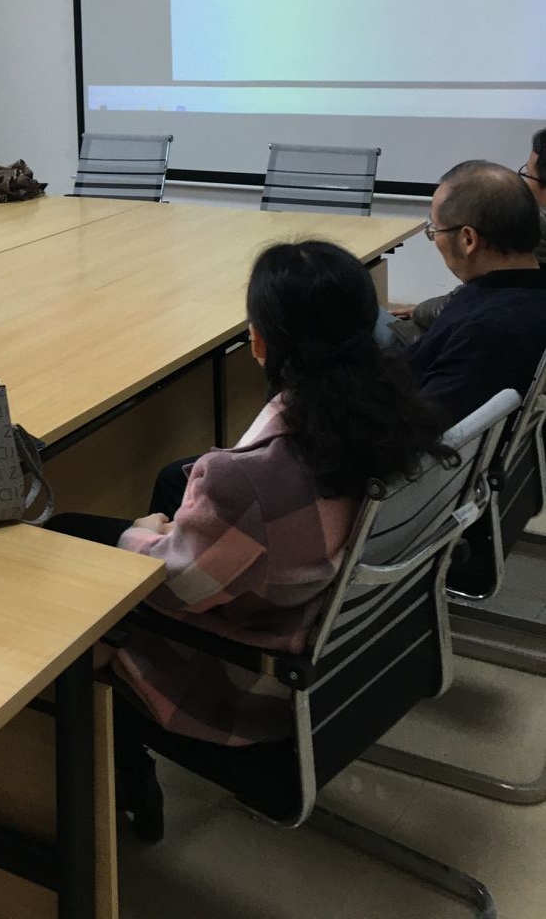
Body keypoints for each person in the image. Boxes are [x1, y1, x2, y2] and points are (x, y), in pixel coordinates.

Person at [49, 240, 452, 836]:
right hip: (353, 653)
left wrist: (143, 533)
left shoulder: (248, 480)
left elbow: (171, 588)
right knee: (138, 501)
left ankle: (125, 784)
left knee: (58, 545)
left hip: (253, 681)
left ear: (259, 342)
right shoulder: (401, 414)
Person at [400, 160, 546, 424]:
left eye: (435, 230)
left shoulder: (490, 329)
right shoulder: (516, 291)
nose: (435, 239)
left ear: (468, 239)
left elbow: (420, 426)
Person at [383, 127, 546, 345]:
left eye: (528, 175)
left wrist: (421, 311)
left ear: (468, 239)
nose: (525, 185)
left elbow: (476, 299)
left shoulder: (485, 325)